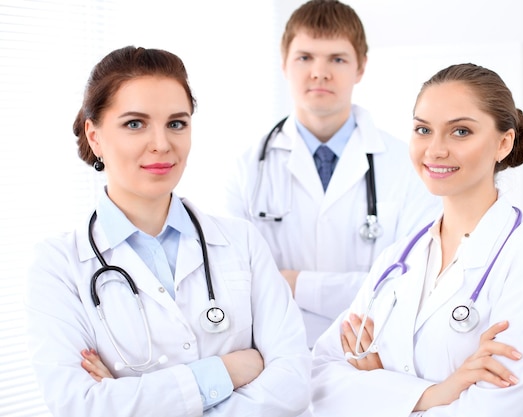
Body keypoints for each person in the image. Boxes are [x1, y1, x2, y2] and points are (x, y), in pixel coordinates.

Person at [24, 45, 311, 417]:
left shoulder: (241, 242)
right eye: (134, 124)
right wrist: (226, 371)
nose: (162, 144)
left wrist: (132, 396)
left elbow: (294, 383)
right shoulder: (57, 266)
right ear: (94, 136)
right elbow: (81, 406)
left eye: (176, 123)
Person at [309, 63, 523, 416]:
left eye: (460, 131)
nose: (434, 150)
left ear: (503, 142)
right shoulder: (399, 257)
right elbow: (319, 379)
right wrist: (437, 393)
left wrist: (377, 391)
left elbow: (496, 410)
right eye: (423, 129)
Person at [218, 0, 441, 348]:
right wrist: (357, 287)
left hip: (376, 358)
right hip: (276, 358)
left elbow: (414, 283)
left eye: (337, 59)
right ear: (284, 64)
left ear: (361, 67)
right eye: (305, 57)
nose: (319, 72)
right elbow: (235, 285)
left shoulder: (409, 165)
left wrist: (292, 284)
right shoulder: (247, 169)